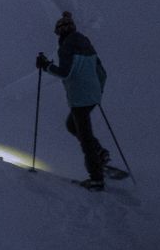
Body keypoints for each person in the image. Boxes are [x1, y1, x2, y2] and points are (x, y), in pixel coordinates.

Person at [37, 11, 110, 190]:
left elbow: (65, 73)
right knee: (72, 125)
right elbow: (102, 72)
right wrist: (97, 91)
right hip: (92, 96)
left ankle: (96, 179)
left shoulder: (66, 47)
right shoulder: (86, 43)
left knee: (84, 137)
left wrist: (46, 66)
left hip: (80, 98)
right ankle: (99, 153)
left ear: (61, 32)